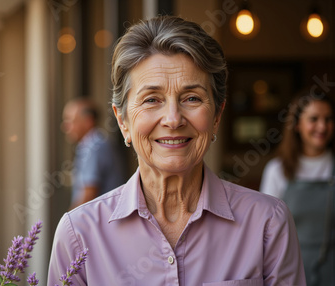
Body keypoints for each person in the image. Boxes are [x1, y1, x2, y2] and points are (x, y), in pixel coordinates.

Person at [48, 15, 305, 286]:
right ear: (122, 121)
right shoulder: (78, 234)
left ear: (217, 115)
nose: (173, 119)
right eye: (152, 100)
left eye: (191, 98)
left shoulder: (267, 223)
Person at [260, 92, 334, 285]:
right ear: (297, 124)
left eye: (328, 119)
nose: (322, 126)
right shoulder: (277, 170)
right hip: (289, 271)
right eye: (313, 119)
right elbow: (264, 230)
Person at [61, 98, 128, 210]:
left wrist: (69, 222)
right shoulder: (96, 142)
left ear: (88, 121)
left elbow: (89, 194)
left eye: (70, 121)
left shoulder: (93, 147)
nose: (65, 127)